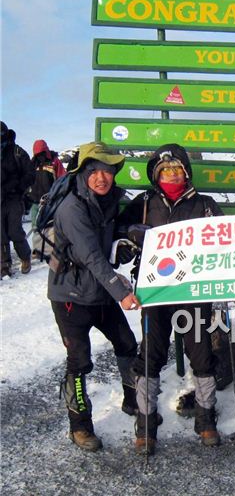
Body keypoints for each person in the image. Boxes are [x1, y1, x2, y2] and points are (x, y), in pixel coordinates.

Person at [115, 144, 223, 455]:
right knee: (151, 354)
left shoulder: (204, 204)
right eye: (165, 171)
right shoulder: (145, 203)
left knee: (201, 353)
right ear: (156, 174)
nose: (171, 175)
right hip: (155, 292)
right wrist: (130, 236)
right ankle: (145, 424)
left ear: (187, 172)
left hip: (193, 291)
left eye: (176, 169)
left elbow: (227, 240)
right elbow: (118, 232)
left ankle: (206, 418)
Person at [47, 141, 140, 452]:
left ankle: (132, 399)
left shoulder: (108, 201)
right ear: (83, 173)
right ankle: (80, 425)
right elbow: (90, 255)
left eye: (108, 171)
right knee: (79, 361)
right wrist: (122, 291)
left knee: (126, 342)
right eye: (95, 171)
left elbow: (109, 239)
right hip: (70, 297)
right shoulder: (71, 208)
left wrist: (124, 240)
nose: (102, 177)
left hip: (99, 292)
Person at [1, 121, 35, 277]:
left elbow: (30, 174)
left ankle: (25, 256)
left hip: (14, 197)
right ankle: (4, 265)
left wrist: (18, 188)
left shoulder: (17, 151)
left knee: (14, 231)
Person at [28, 139, 67, 260]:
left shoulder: (55, 162)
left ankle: (53, 247)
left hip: (51, 201)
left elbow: (63, 178)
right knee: (35, 226)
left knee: (51, 226)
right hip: (35, 200)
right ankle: (37, 248)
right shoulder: (32, 163)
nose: (39, 156)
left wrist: (59, 195)